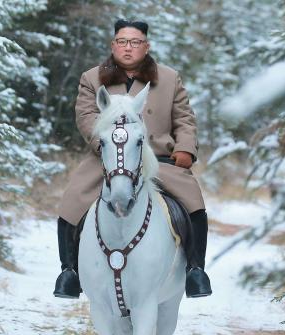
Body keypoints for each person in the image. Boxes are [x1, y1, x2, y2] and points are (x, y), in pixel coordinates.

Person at [53, 18, 212, 299]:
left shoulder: (169, 78)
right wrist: (104, 145)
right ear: (114, 45)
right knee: (72, 201)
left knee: (194, 206)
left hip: (160, 160)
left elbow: (185, 119)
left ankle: (195, 271)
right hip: (108, 158)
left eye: (135, 42)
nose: (128, 48)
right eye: (123, 42)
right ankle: (70, 272)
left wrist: (185, 148)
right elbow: (86, 117)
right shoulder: (92, 78)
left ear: (146, 46)